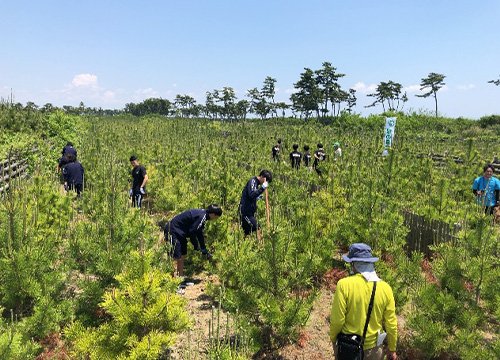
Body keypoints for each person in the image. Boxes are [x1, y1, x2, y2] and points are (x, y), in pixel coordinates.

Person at [330, 243, 398, 360]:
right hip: (374, 351)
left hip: (348, 348)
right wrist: (392, 349)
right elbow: (391, 324)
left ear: (354, 264)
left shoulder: (344, 285)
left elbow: (338, 320)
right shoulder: (386, 288)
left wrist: (333, 339)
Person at [163, 204, 223, 277]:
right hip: (172, 230)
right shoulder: (202, 216)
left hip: (180, 233)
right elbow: (192, 232)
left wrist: (203, 248)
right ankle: (170, 281)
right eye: (216, 217)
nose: (215, 219)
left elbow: (199, 233)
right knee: (175, 256)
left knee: (182, 255)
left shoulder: (203, 215)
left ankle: (180, 279)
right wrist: (196, 245)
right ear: (213, 214)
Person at [239, 169, 272, 240]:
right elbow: (251, 194)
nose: (267, 184)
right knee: (257, 227)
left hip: (249, 213)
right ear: (263, 177)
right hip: (245, 214)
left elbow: (251, 196)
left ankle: (244, 248)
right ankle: (260, 248)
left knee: (247, 234)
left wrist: (257, 197)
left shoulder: (256, 184)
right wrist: (262, 188)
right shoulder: (253, 181)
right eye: (267, 181)